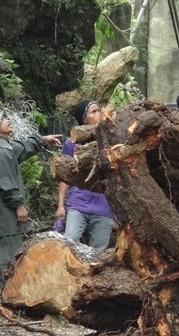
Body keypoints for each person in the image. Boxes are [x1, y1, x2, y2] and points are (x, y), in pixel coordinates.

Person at [0, 110, 61, 288]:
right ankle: (4, 295)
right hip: (4, 215)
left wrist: (41, 140)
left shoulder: (2, 146)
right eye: (2, 120)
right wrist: (19, 206)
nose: (7, 120)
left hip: (0, 214)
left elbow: (20, 147)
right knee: (6, 257)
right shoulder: (0, 152)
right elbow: (6, 184)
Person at [56, 100, 116, 251]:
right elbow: (65, 177)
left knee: (98, 252)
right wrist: (61, 206)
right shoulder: (72, 143)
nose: (98, 114)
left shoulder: (112, 140)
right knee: (70, 243)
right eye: (93, 112)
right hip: (78, 204)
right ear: (84, 119)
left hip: (104, 207)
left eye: (99, 110)